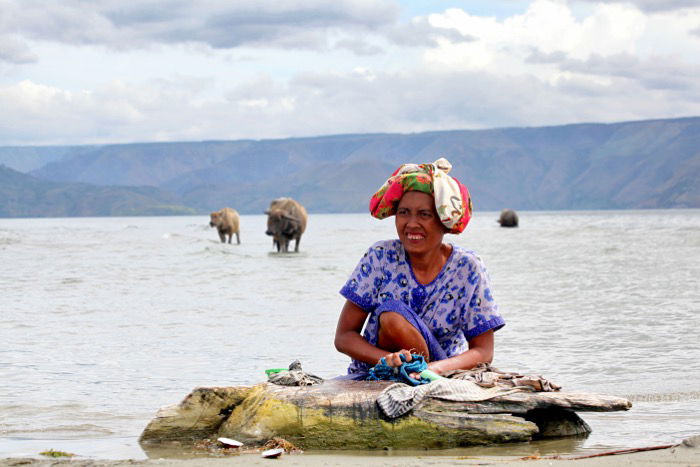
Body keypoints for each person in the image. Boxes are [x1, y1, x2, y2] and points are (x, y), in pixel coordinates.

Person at [334, 157, 505, 380]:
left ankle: (419, 377)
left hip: (439, 374)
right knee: (392, 315)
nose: (411, 223)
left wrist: (433, 370)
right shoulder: (380, 257)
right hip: (375, 373)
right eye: (404, 212)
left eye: (424, 214)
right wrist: (386, 359)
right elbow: (344, 337)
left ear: (444, 221)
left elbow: (483, 351)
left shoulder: (467, 268)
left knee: (393, 316)